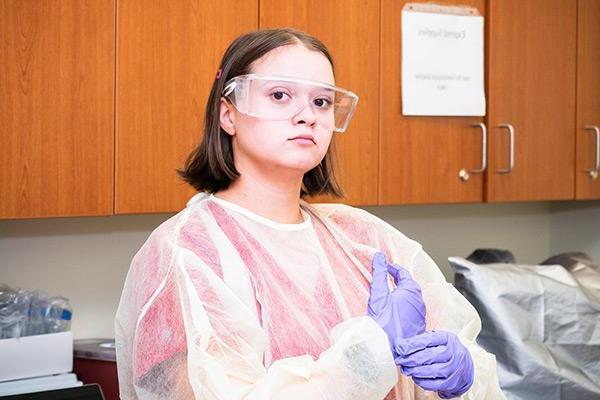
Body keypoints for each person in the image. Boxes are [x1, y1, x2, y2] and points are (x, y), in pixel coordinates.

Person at [115, 28, 505, 400]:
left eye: (321, 102)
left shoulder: (363, 239)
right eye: (280, 95)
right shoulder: (188, 252)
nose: (308, 116)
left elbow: (465, 364)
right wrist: (370, 351)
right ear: (228, 114)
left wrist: (462, 375)